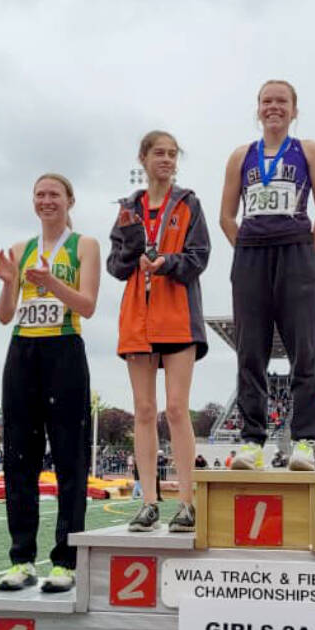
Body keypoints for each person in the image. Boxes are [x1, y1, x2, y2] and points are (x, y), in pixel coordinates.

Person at [219, 79, 315, 471]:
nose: (274, 107)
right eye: (267, 101)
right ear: (258, 108)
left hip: (296, 252)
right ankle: (252, 441)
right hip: (251, 255)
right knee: (250, 351)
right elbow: (226, 215)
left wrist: (305, 252)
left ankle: (304, 441)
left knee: (305, 350)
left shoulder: (309, 150)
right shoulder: (241, 155)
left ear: (294, 109)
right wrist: (249, 249)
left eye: (281, 101)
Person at [0, 174, 100, 593]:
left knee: (71, 460)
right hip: (23, 353)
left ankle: (66, 560)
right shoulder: (21, 250)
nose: (47, 201)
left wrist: (51, 282)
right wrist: (9, 283)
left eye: (54, 194)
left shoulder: (83, 246)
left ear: (70, 200)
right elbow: (5, 315)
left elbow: (87, 305)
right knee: (19, 459)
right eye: (40, 194)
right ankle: (21, 558)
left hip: (65, 350)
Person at [109, 131, 211, 534]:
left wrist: (165, 262)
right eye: (159, 154)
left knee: (176, 409)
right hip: (137, 315)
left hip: (178, 314)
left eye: (172, 154)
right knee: (144, 411)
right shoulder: (128, 208)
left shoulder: (188, 204)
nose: (166, 160)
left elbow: (199, 257)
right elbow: (116, 267)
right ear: (144, 158)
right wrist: (132, 251)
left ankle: (186, 502)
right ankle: (149, 501)